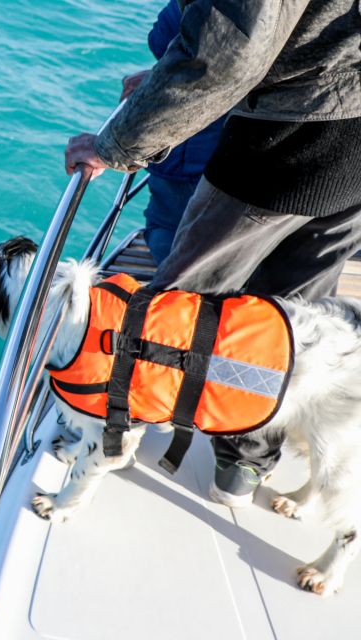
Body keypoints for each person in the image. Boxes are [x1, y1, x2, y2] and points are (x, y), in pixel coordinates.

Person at [63, 0, 361, 507]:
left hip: (284, 139)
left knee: (179, 305)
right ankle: (244, 466)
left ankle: (119, 434)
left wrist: (117, 144)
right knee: (287, 324)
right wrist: (162, 81)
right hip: (352, 140)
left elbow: (227, 51)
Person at [124, 0, 227, 263]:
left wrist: (109, 148)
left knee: (169, 235)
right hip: (234, 144)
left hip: (194, 155)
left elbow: (171, 38)